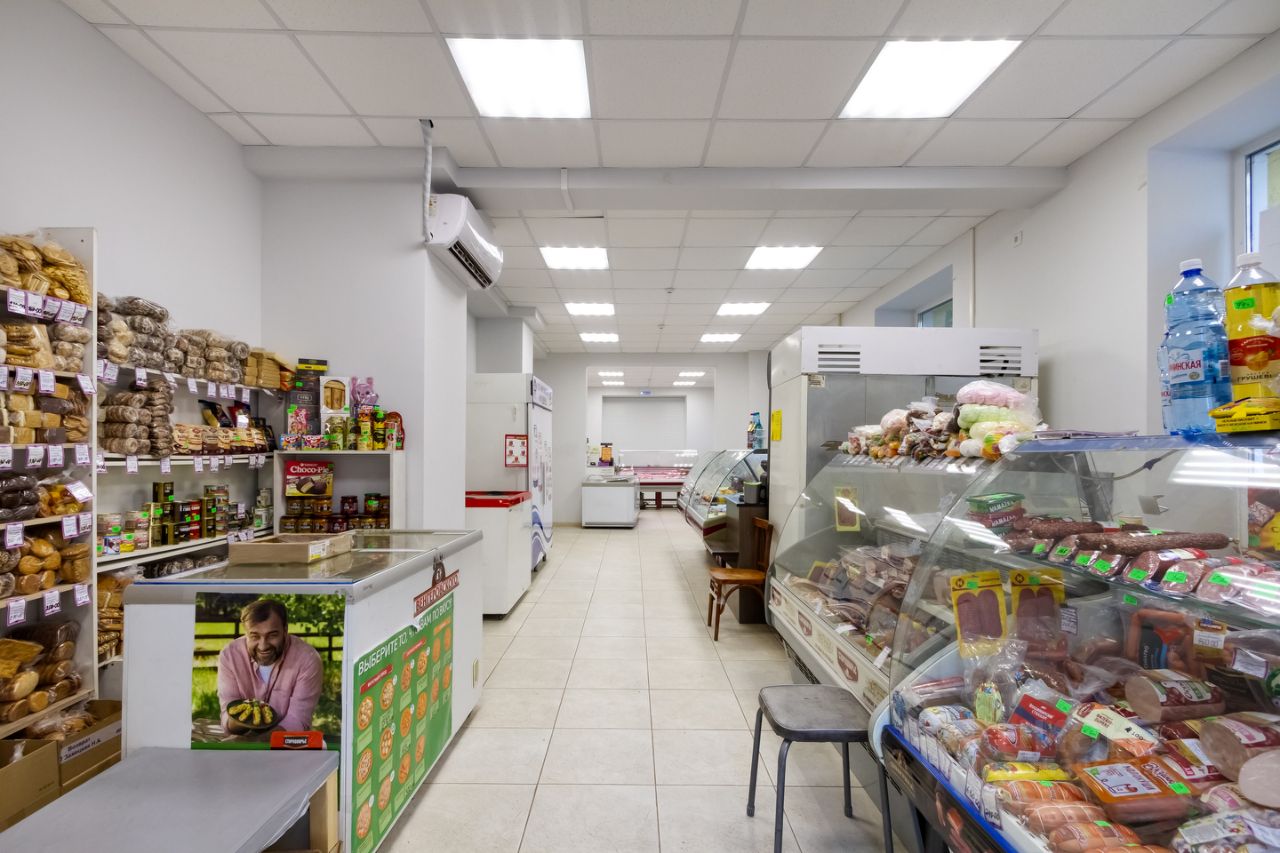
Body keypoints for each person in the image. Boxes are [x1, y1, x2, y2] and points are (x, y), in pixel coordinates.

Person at [216, 598, 323, 734]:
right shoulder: (229, 656)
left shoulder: (308, 659)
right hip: (241, 739)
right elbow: (227, 715)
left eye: (272, 635)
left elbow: (297, 720)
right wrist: (241, 719)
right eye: (254, 636)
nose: (263, 646)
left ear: (285, 630)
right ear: (246, 633)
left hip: (285, 743)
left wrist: (260, 742)